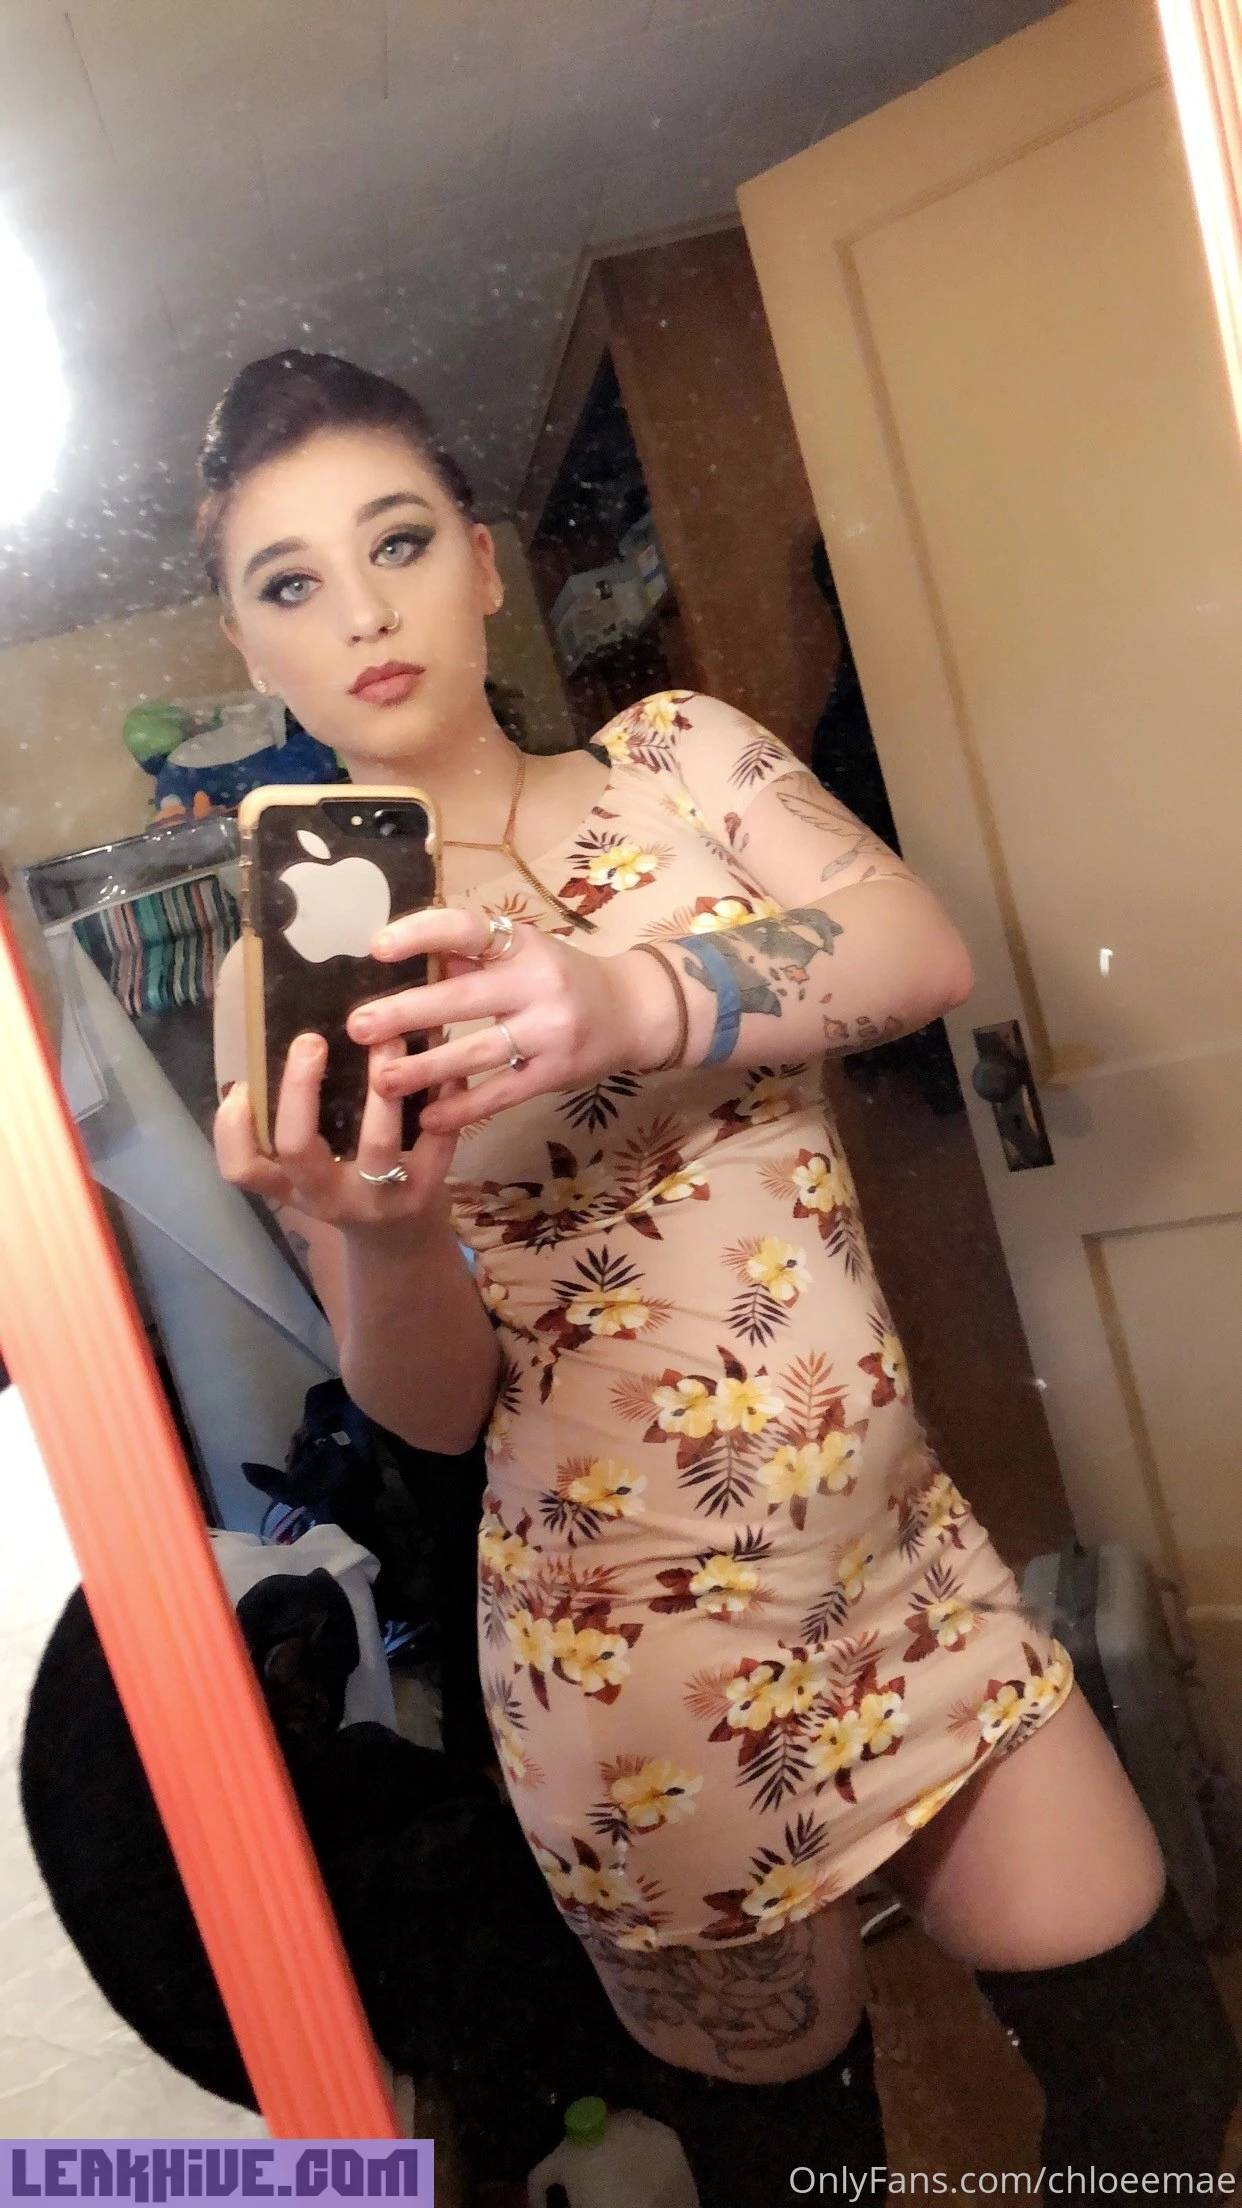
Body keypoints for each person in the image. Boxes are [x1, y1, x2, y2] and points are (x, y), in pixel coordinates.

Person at [208, 353, 1238, 2189]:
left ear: (485, 565)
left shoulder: (678, 757)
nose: (359, 611)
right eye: (291, 582)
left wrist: (629, 997)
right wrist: (389, 1232)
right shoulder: (275, 984)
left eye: (398, 541)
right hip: (636, 1674)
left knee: (1159, 2079)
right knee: (799, 2165)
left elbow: (916, 952)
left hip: (907, 1568)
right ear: (248, 649)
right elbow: (429, 1412)